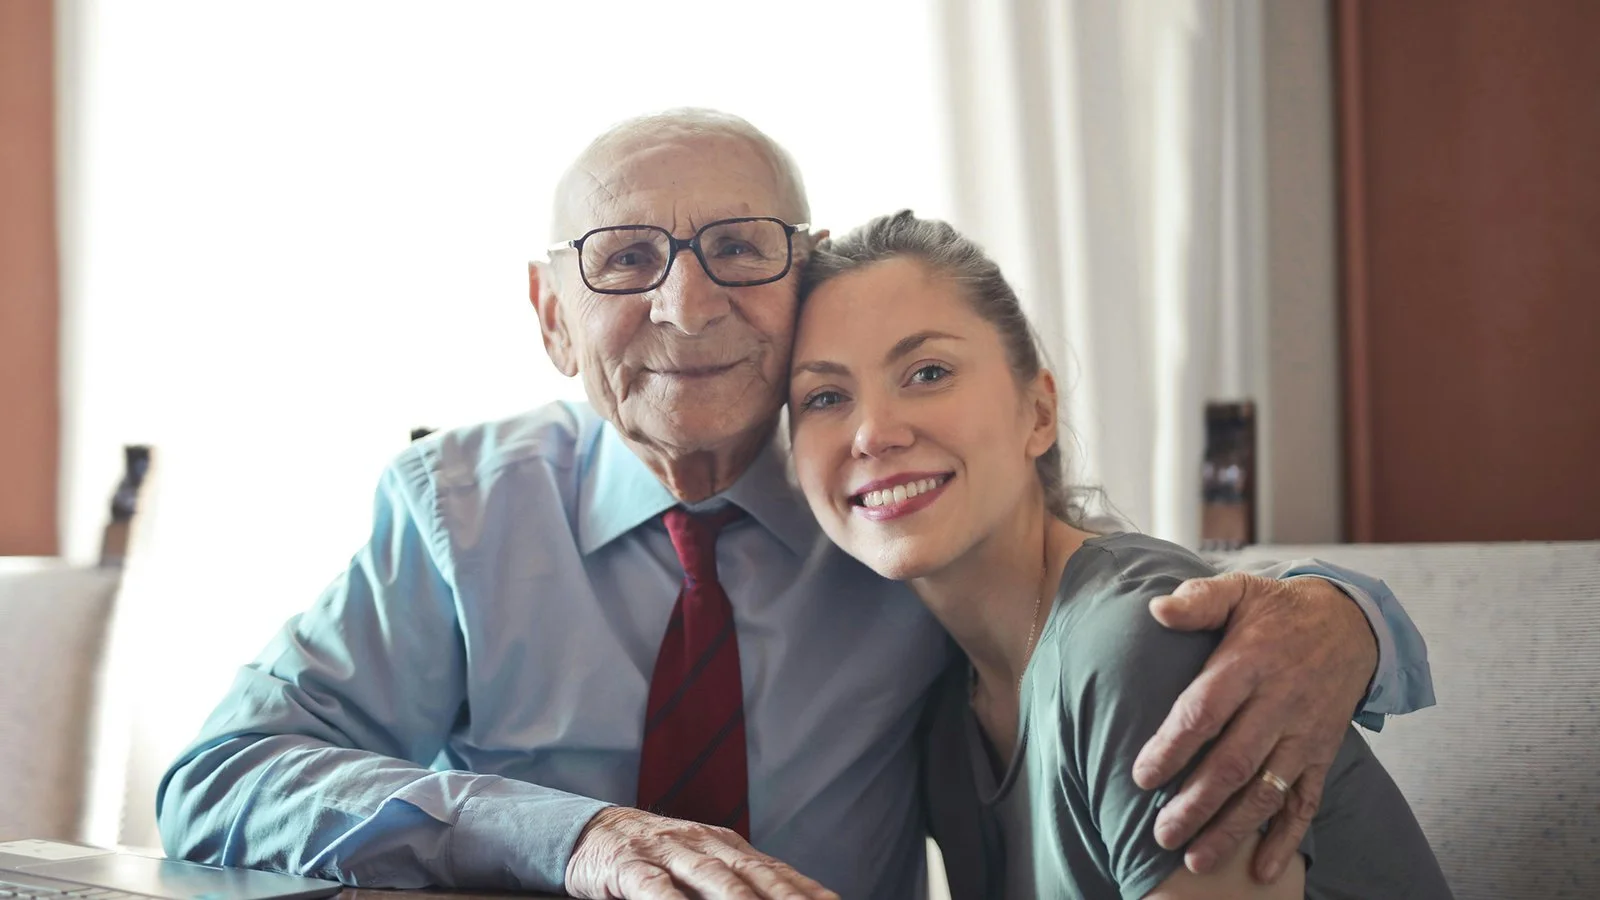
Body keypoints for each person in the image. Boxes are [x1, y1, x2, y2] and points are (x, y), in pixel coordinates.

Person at [156, 110, 1435, 900]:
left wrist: (1345, 615)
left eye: (739, 248)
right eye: (623, 260)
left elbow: (1109, 601)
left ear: (794, 286)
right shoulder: (455, 518)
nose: (689, 304)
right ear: (551, 320)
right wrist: (570, 838)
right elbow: (216, 779)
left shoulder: (886, 515)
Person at [786, 210, 1452, 899]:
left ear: (1038, 413)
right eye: (826, 396)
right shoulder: (947, 716)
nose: (873, 433)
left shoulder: (1139, 644)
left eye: (927, 372)